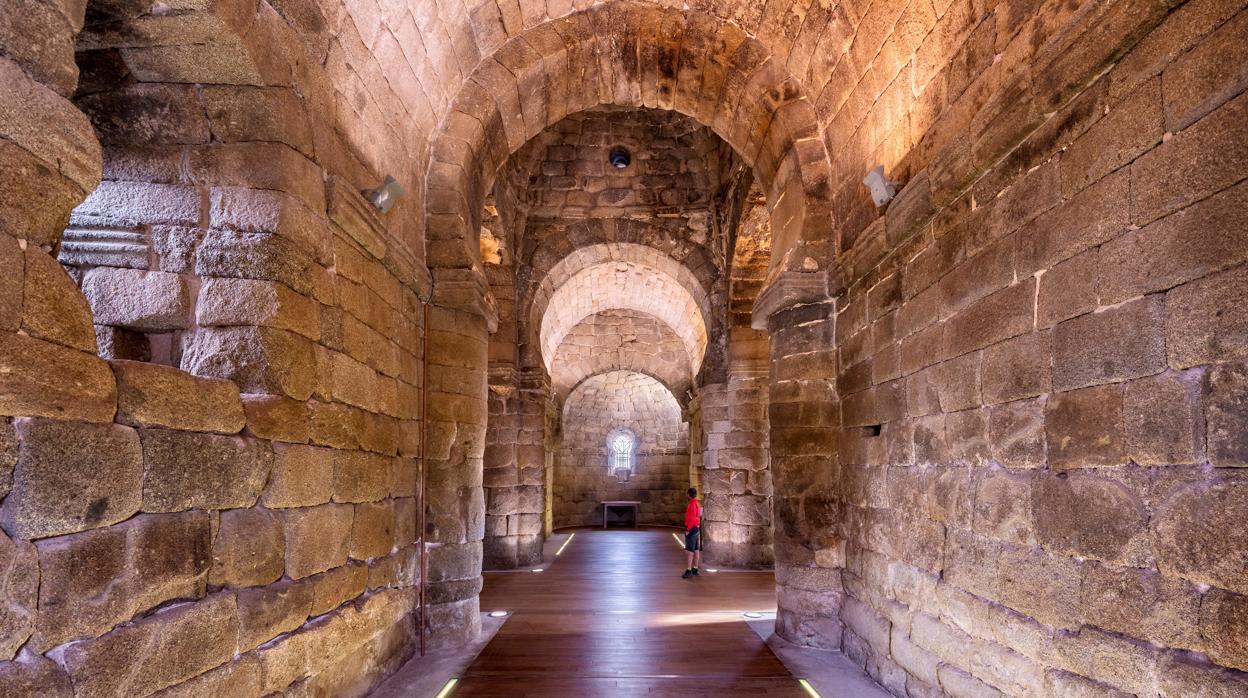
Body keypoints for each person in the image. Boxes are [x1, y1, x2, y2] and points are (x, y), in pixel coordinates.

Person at [682, 487, 701, 579]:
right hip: (696, 528)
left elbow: (692, 518)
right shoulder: (697, 503)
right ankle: (695, 568)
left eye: (687, 494)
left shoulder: (692, 504)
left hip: (692, 528)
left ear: (689, 494)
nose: (686, 495)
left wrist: (688, 529)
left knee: (689, 551)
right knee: (696, 549)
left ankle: (689, 569)